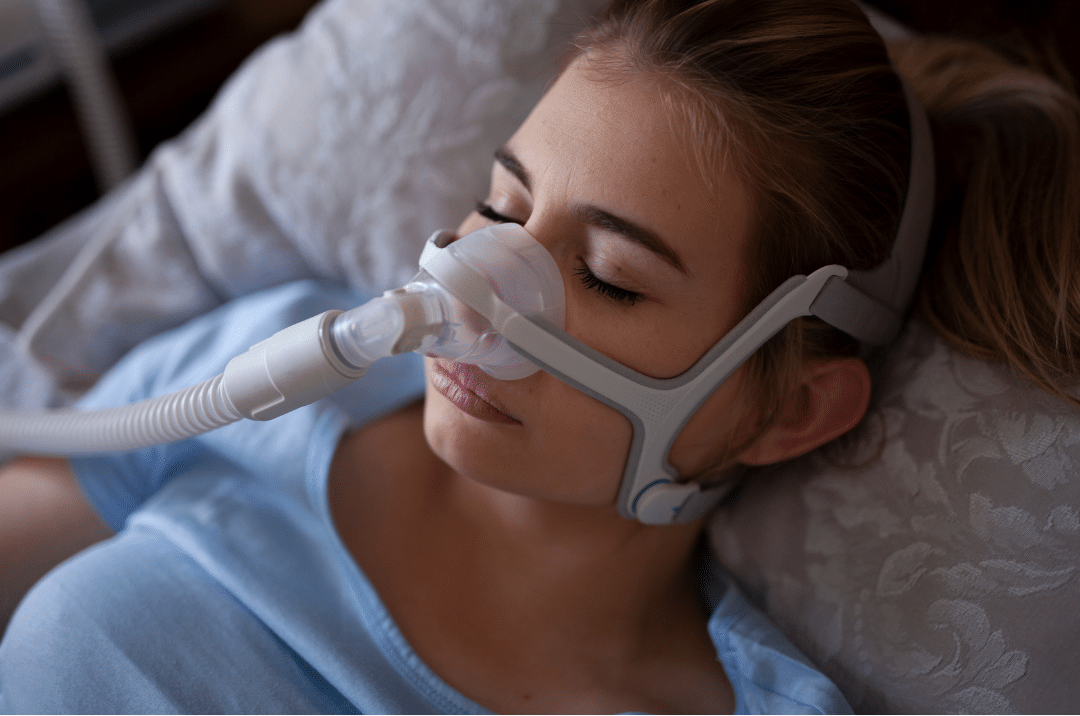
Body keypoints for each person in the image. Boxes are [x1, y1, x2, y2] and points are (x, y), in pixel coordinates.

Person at [1, 0, 1078, 712]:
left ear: (792, 407)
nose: (478, 277)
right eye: (500, 204)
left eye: (608, 273)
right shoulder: (270, 371)